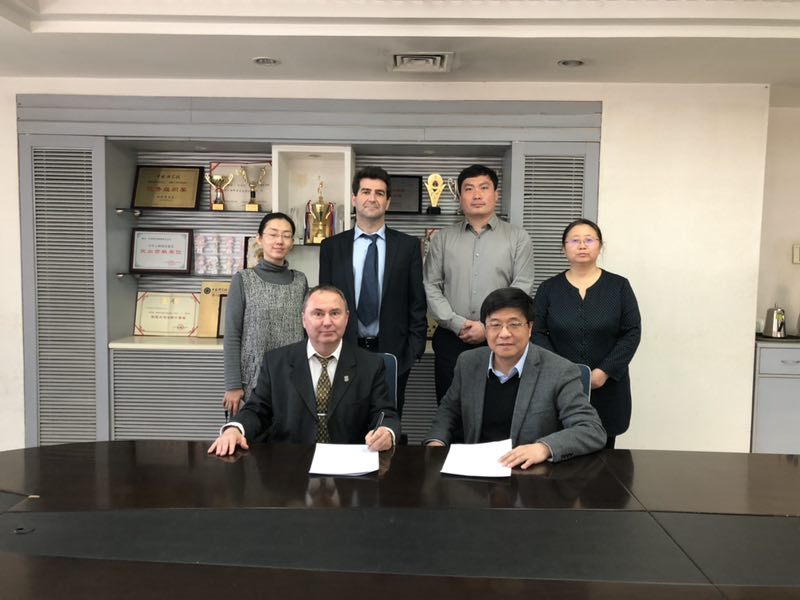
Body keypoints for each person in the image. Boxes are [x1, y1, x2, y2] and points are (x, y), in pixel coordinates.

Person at [425, 287, 606, 468]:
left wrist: (543, 448)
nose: (504, 333)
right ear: (485, 329)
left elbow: (591, 429)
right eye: (495, 325)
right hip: (476, 469)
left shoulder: (560, 370)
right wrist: (436, 442)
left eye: (514, 324)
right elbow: (448, 411)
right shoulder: (468, 362)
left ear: (530, 328)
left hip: (529, 473)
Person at [209, 285, 399, 456]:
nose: (327, 322)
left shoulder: (370, 364)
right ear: (303, 319)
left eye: (335, 313)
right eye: (318, 314)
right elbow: (257, 411)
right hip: (290, 462)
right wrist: (234, 429)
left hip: (349, 464)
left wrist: (386, 432)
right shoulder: (276, 362)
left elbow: (385, 413)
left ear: (347, 318)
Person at [319, 166, 427, 418]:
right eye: (366, 191)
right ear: (354, 198)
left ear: (387, 202)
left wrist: (412, 352)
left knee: (387, 421)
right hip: (344, 350)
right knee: (344, 419)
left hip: (393, 353)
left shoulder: (408, 246)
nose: (372, 198)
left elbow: (417, 303)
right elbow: (325, 301)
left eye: (379, 193)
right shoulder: (332, 247)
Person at [424, 164, 535, 405]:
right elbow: (431, 286)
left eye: (484, 188)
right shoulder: (442, 239)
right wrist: (456, 323)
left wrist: (489, 326)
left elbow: (521, 288)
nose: (476, 195)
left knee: (498, 407)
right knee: (450, 407)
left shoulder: (518, 238)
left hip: (502, 339)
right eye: (469, 189)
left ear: (496, 195)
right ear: (460, 197)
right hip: (452, 338)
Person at [532, 218, 641, 449]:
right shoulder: (548, 289)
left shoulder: (619, 286)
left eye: (589, 240)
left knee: (605, 455)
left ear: (600, 246)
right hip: (559, 385)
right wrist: (563, 371)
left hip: (608, 385)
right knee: (559, 449)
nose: (582, 245)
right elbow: (537, 332)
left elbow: (631, 332)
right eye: (574, 240)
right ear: (563, 248)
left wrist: (604, 371)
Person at [223, 212, 308, 417]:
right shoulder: (243, 280)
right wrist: (233, 385)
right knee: (251, 435)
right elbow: (232, 335)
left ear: (292, 242)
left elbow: (308, 333)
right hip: (252, 382)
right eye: (273, 234)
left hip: (292, 380)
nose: (280, 241)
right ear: (259, 239)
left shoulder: (300, 281)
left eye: (286, 235)